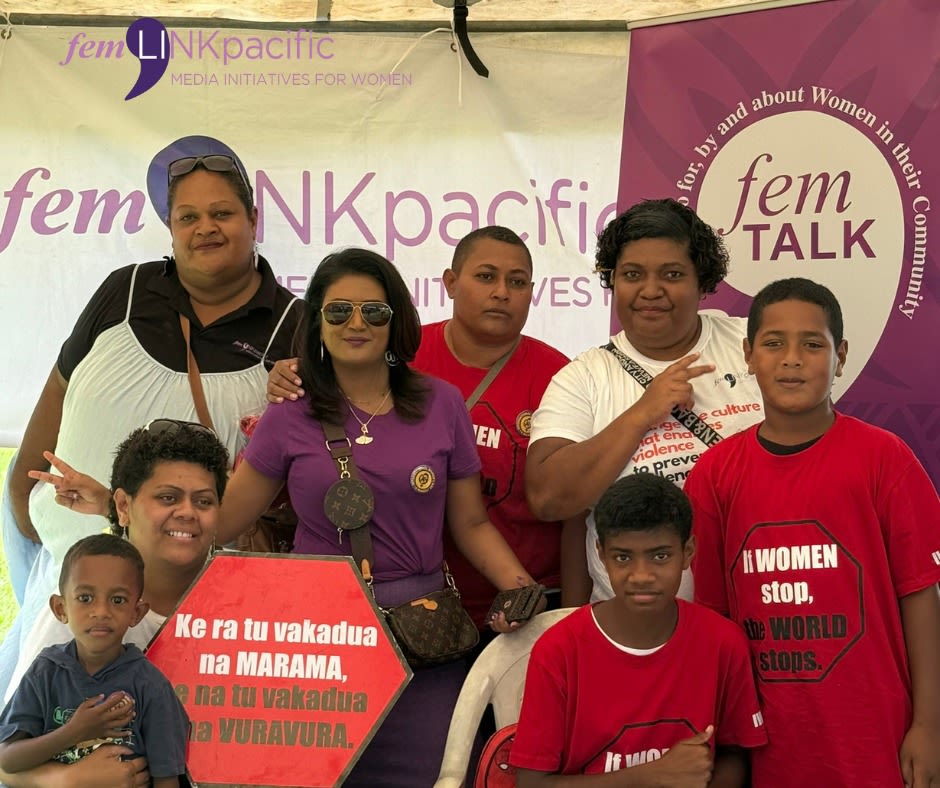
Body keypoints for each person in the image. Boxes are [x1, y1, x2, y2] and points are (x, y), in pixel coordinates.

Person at [215, 246, 544, 786]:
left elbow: (471, 524)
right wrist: (139, 512)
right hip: (317, 633)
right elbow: (226, 519)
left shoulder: (442, 404)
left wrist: (519, 587)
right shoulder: (289, 413)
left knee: (429, 773)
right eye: (338, 311)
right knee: (316, 777)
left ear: (397, 321)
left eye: (375, 311)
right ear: (316, 320)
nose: (357, 323)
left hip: (421, 632)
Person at [1, 136, 301, 697]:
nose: (204, 228)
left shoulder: (294, 326)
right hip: (74, 571)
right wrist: (29, 505)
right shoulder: (125, 290)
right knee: (35, 740)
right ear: (170, 227)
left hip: (194, 600)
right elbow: (57, 395)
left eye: (221, 213)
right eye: (187, 216)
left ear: (254, 218)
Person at [685, 278, 940, 788]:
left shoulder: (884, 459)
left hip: (874, 734)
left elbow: (920, 595)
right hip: (767, 739)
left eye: (813, 343)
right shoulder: (713, 476)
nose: (793, 359)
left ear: (840, 356)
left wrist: (929, 724)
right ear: (749, 355)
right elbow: (712, 617)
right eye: (774, 343)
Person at [267, 226, 580, 623]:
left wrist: (565, 612)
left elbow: (570, 510)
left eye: (517, 282)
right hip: (406, 603)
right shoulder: (398, 357)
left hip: (518, 604)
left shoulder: (562, 377)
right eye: (486, 276)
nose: (502, 291)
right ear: (450, 282)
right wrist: (296, 378)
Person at [526, 198, 764, 604]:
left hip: (763, 611)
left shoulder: (753, 344)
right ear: (613, 280)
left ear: (701, 281)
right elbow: (547, 498)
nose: (650, 291)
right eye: (633, 275)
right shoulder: (583, 377)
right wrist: (641, 414)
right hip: (639, 639)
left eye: (672, 274)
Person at [0, 419, 228, 788]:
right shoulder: (75, 619)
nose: (187, 512)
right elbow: (6, 760)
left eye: (204, 501)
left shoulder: (238, 611)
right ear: (123, 505)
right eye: (167, 497)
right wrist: (69, 779)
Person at [510, 473, 767, 785]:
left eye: (660, 556)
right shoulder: (559, 651)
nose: (641, 575)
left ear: (688, 552)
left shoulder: (723, 642)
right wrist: (653, 776)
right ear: (602, 554)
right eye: (623, 557)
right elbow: (531, 783)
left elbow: (734, 753)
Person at [0, 534, 188, 788]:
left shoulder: (151, 687)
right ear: (60, 608)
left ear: (137, 613)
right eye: (86, 598)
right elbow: (7, 758)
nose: (101, 611)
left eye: (118, 600)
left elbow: (167, 780)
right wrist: (73, 732)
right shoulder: (45, 672)